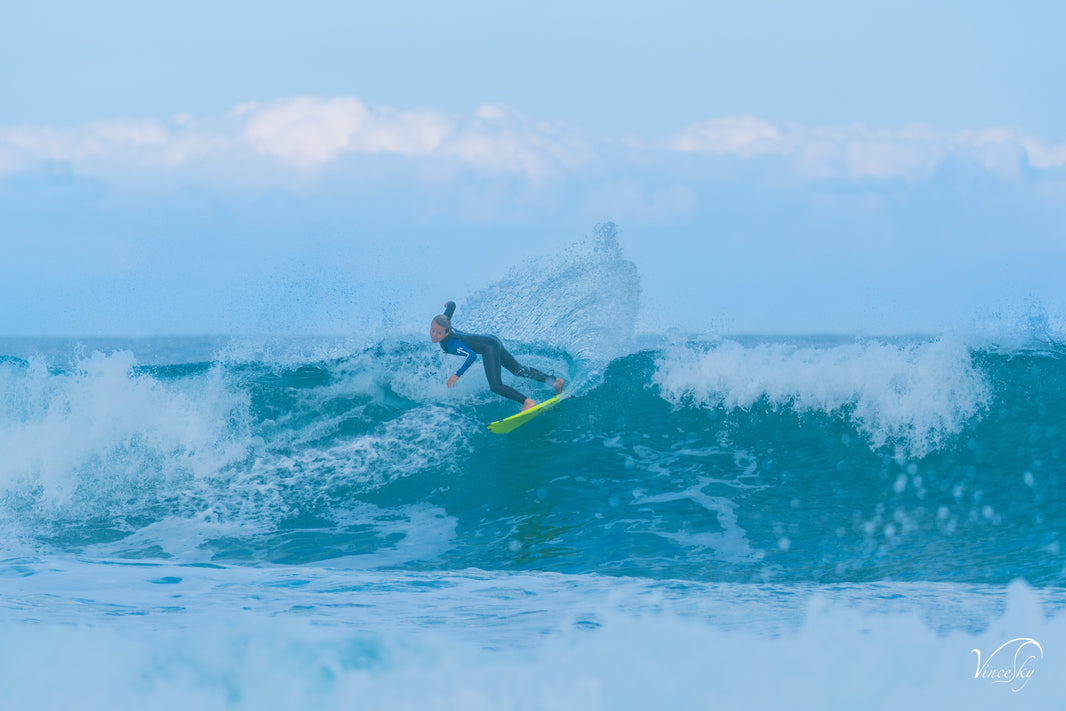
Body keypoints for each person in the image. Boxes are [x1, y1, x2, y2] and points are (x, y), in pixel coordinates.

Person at [430, 301, 564, 411]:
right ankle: (555, 382)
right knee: (518, 370)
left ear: (447, 333)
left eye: (439, 333)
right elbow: (452, 307)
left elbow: (471, 356)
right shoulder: (444, 322)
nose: (434, 335)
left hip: (489, 347)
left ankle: (528, 402)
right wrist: (449, 304)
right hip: (493, 340)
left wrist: (457, 374)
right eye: (432, 330)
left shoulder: (451, 344)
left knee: (496, 386)